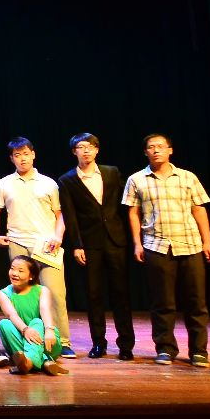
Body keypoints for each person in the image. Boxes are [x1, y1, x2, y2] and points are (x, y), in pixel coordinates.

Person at [123, 133, 210, 368]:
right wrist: (137, 243)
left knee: (196, 302)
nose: (156, 150)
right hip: (156, 246)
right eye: (151, 147)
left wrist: (207, 242)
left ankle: (199, 351)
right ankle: (165, 348)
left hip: (190, 244)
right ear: (145, 152)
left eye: (160, 146)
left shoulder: (187, 177)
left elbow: (199, 209)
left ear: (170, 150)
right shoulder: (136, 179)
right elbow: (133, 213)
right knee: (162, 302)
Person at [0, 138, 72, 358]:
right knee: (22, 293)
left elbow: (61, 214)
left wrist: (58, 236)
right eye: (17, 155)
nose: (22, 158)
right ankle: (25, 336)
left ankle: (61, 340)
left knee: (55, 292)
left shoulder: (48, 183)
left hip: (46, 245)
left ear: (33, 154)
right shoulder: (4, 183)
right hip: (18, 243)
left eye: (25, 153)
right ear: (11, 158)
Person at [59, 132, 135, 361]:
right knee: (94, 295)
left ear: (97, 150)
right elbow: (70, 216)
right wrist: (77, 245)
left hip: (115, 240)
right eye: (81, 147)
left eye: (90, 146)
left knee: (121, 294)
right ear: (74, 152)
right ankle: (99, 343)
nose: (86, 151)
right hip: (89, 244)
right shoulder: (67, 180)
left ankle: (126, 345)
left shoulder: (111, 172)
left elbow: (124, 204)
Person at [0, 255, 67, 375]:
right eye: (12, 268)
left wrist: (49, 330)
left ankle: (28, 363)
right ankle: (45, 362)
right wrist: (25, 330)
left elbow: (45, 310)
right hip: (21, 336)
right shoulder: (4, 293)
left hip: (46, 341)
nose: (14, 273)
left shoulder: (42, 290)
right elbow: (12, 315)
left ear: (31, 276)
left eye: (20, 271)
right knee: (4, 324)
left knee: (36, 322)